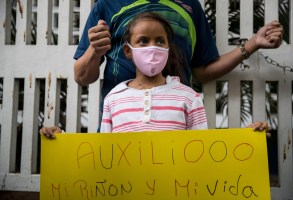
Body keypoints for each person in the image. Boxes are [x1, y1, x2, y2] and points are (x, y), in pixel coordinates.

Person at [40, 11, 271, 138]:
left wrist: (248, 139)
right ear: (128, 51)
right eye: (143, 41)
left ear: (169, 48)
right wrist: (61, 142)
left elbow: (202, 148)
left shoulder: (188, 97)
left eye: (160, 41)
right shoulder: (113, 99)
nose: (152, 47)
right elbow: (104, 153)